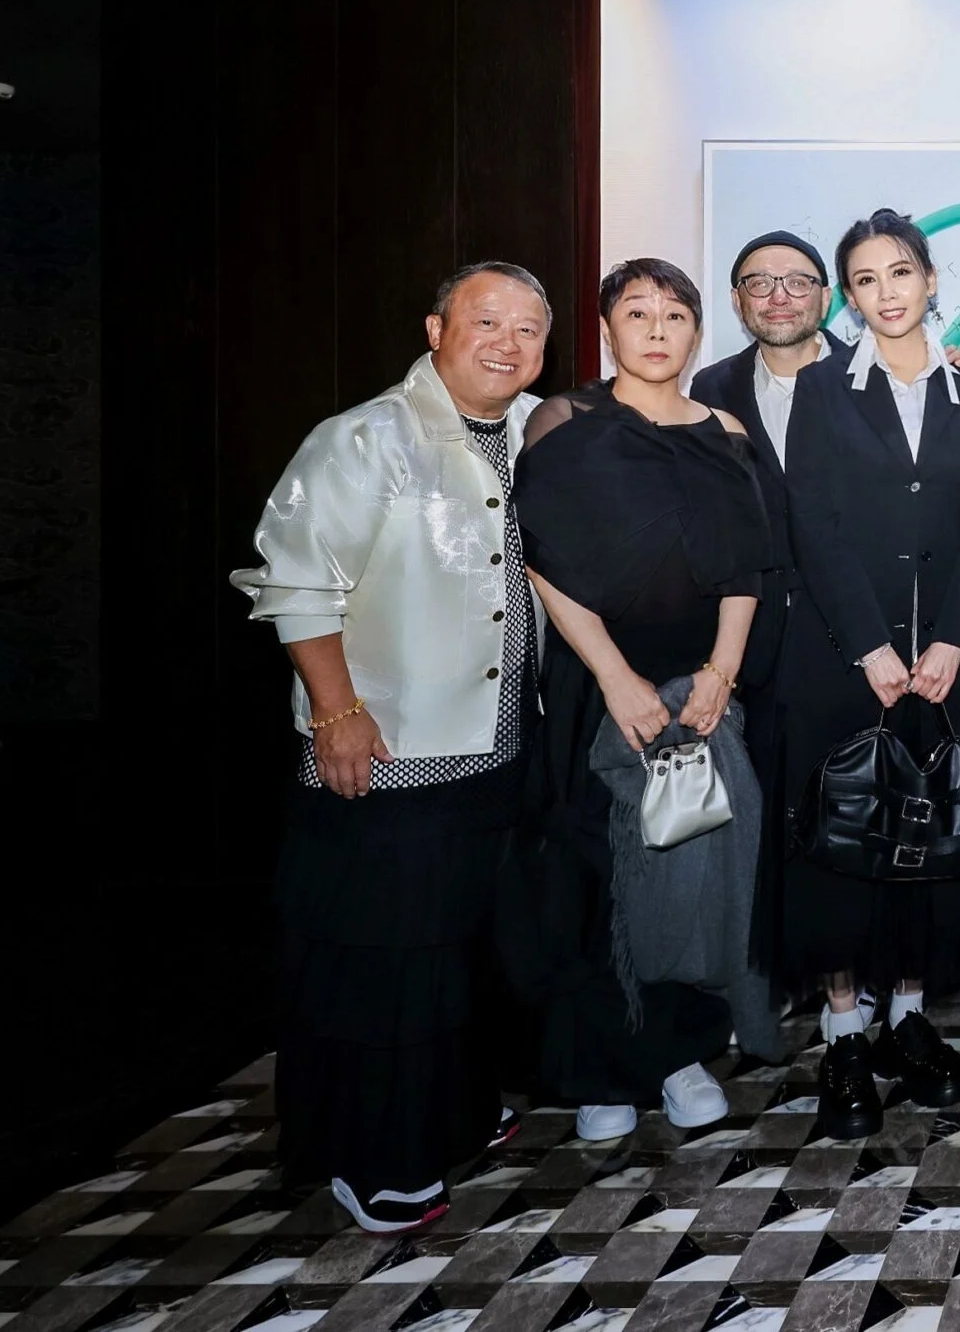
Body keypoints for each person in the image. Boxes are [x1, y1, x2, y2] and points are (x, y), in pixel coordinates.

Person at [231, 262, 553, 1234]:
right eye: (485, 320)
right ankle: (373, 1154)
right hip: (388, 753)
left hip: (497, 749)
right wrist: (334, 711)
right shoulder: (365, 437)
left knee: (462, 952)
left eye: (529, 328)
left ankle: (455, 1108)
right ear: (435, 328)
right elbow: (295, 581)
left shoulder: (538, 430)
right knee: (382, 965)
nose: (506, 342)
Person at [506, 258, 776, 1145]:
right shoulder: (566, 422)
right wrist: (615, 677)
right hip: (599, 684)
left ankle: (679, 1053)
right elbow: (543, 558)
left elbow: (747, 564)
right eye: (638, 312)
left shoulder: (725, 430)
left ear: (697, 330)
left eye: (674, 314)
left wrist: (721, 671)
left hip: (699, 686)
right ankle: (602, 1068)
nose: (658, 330)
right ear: (606, 328)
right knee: (600, 871)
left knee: (692, 867)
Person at [778, 208, 960, 1141]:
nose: (886, 292)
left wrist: (954, 640)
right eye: (866, 279)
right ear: (850, 296)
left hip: (952, 666)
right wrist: (869, 645)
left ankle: (911, 1018)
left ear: (930, 279)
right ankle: (845, 1032)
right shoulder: (822, 389)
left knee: (931, 840)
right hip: (851, 661)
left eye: (900, 272)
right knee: (845, 845)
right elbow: (814, 523)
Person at [690, 231, 848, 994]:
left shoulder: (875, 374)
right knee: (765, 811)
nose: (779, 296)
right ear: (736, 300)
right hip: (752, 638)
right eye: (760, 282)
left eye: (797, 281)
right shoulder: (706, 391)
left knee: (855, 807)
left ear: (827, 296)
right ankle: (782, 977)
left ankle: (870, 980)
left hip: (856, 635)